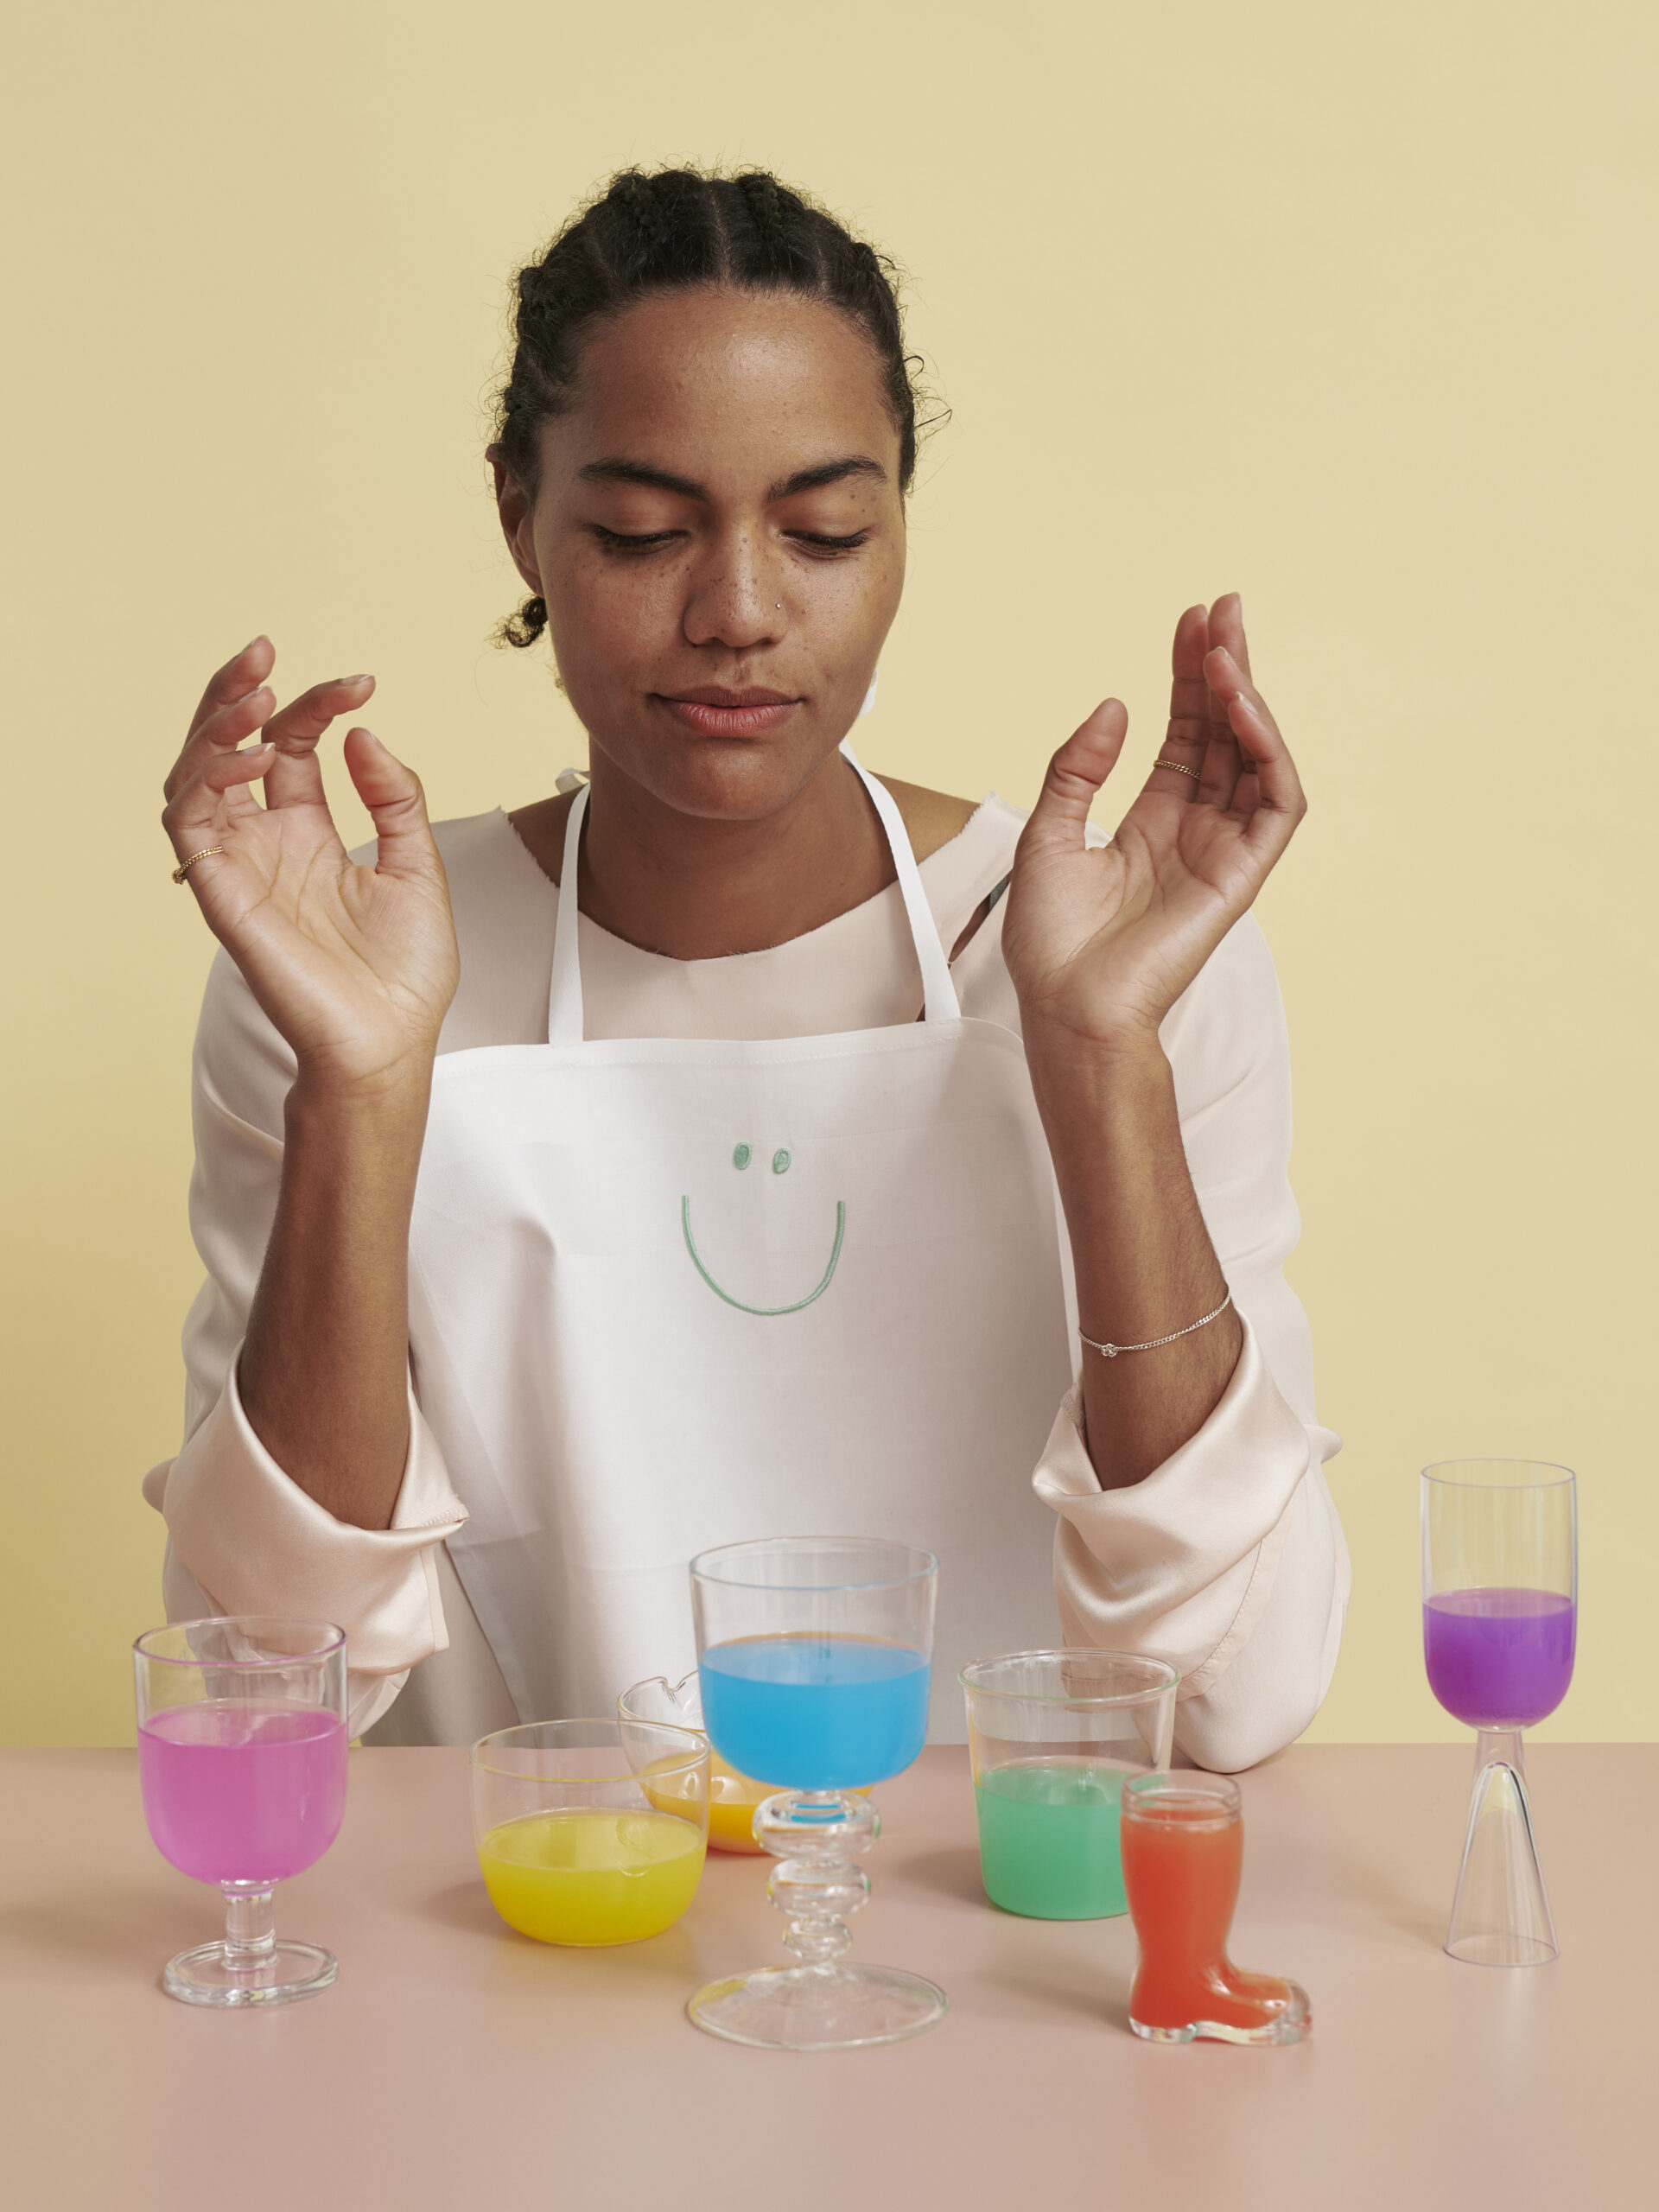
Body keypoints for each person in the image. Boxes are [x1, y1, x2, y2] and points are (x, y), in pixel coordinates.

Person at [146, 166, 1347, 1766]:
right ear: (519, 518)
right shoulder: (345, 973)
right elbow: (259, 1688)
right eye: (643, 532)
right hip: (542, 1900)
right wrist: (360, 1095)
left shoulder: (1116, 947)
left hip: (1002, 1893)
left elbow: (1241, 1696)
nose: (738, 611)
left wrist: (1102, 1055)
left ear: (901, 525)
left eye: (824, 531)